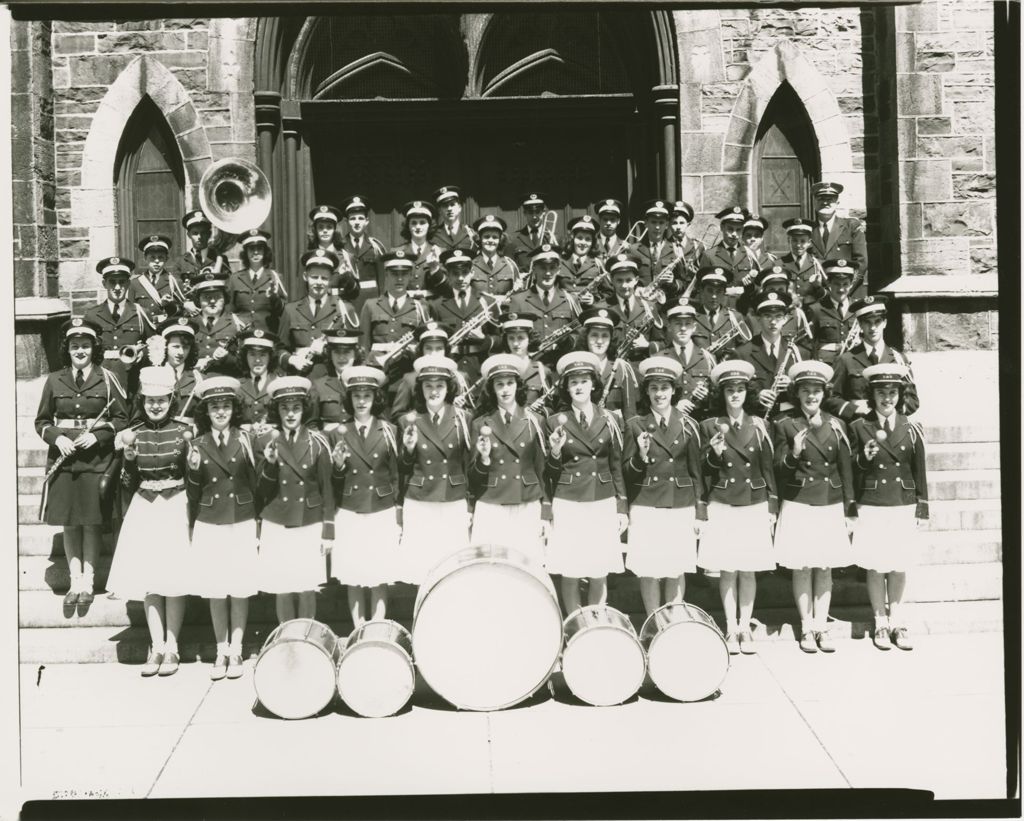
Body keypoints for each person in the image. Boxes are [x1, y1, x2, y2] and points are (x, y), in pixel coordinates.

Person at [36, 318, 129, 607]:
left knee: (90, 521)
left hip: (94, 459)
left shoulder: (108, 377)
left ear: (94, 348)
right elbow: (41, 421)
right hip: (63, 459)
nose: (80, 351)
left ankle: (88, 581)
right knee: (69, 523)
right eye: (74, 346)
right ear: (68, 349)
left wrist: (99, 437)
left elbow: (121, 419)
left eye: (85, 345)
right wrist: (56, 438)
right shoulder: (54, 380)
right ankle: (73, 581)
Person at [105, 366, 190, 677]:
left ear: (171, 399)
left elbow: (192, 477)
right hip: (145, 509)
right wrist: (127, 460)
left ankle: (173, 646)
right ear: (142, 401)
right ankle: (156, 645)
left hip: (175, 506)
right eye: (150, 400)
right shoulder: (135, 433)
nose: (156, 405)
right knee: (152, 581)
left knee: (174, 579)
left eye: (162, 400)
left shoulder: (183, 432)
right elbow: (127, 483)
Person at [772, 360, 857, 654]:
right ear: (797, 394)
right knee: (802, 566)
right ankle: (807, 625)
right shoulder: (784, 424)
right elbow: (778, 469)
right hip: (798, 502)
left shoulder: (837, 425)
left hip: (829, 502)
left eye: (817, 391)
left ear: (824, 394)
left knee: (824, 567)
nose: (811, 396)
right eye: (806, 391)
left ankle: (822, 625)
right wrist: (794, 454)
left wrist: (850, 509)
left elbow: (846, 471)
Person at [696, 360, 778, 654]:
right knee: (728, 569)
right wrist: (715, 454)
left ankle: (746, 626)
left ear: (747, 392)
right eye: (729, 390)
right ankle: (731, 628)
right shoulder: (708, 426)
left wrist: (772, 505)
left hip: (754, 502)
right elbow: (704, 471)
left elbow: (768, 468)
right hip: (723, 502)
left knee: (749, 569)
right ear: (722, 394)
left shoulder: (759, 425)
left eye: (740, 389)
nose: (735, 395)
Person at [184, 376, 260, 680]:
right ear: (206, 411)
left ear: (233, 408)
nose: (220, 411)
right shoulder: (196, 444)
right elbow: (192, 492)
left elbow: (257, 483)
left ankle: (237, 649)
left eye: (225, 405)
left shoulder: (247, 439)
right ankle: (221, 648)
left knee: (239, 588)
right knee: (216, 588)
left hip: (240, 519)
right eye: (214, 406)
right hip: (210, 521)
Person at [849, 364, 929, 651]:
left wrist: (923, 506)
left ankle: (897, 618)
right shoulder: (859, 427)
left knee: (898, 563)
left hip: (903, 503)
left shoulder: (912, 428)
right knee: (875, 564)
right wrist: (863, 458)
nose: (887, 399)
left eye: (892, 393)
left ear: (900, 395)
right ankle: (880, 620)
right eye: (881, 393)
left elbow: (920, 471)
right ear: (873, 395)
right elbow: (852, 470)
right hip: (872, 503)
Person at [544, 351, 628, 615]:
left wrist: (621, 506)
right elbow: (549, 472)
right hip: (569, 500)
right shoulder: (554, 422)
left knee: (599, 567)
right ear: (566, 388)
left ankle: (596, 619)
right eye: (573, 382)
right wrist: (555, 452)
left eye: (584, 380)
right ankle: (575, 622)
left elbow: (616, 465)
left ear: (594, 384)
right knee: (571, 568)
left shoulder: (611, 419)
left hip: (601, 500)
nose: (579, 386)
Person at [623, 356, 705, 616]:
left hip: (680, 504)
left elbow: (696, 473)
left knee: (676, 566)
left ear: (674, 391)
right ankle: (654, 622)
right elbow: (626, 472)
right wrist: (640, 456)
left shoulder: (689, 425)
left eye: (665, 388)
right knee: (648, 568)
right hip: (646, 504)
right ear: (646, 391)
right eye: (654, 388)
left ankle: (674, 619)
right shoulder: (635, 425)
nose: (660, 394)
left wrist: (700, 511)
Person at [256, 376, 336, 623]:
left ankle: (306, 638)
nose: (290, 414)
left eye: (296, 408)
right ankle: (287, 637)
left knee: (306, 586)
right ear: (277, 410)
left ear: (304, 410)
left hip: (308, 521)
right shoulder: (266, 441)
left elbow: (327, 489)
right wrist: (269, 465)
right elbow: (260, 491)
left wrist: (328, 531)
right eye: (284, 408)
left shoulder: (318, 442)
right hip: (277, 521)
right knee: (283, 586)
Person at [328, 365, 402, 627]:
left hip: (381, 508)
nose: (361, 401)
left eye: (367, 396)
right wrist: (337, 466)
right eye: (356, 396)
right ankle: (358, 626)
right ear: (350, 400)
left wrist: (398, 514)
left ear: (375, 399)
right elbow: (331, 482)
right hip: (350, 509)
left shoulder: (389, 430)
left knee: (379, 571)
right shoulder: (337, 432)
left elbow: (396, 475)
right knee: (354, 572)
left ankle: (377, 624)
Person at [395, 355, 472, 585]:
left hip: (453, 499)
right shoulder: (408, 421)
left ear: (449, 388)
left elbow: (469, 464)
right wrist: (408, 449)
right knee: (422, 566)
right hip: (420, 500)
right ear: (421, 389)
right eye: (428, 385)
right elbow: (402, 469)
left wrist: (470, 504)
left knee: (453, 566)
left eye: (440, 385)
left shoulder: (464, 418)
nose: (434, 391)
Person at [468, 354, 550, 564]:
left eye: (510, 383)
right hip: (492, 504)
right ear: (492, 389)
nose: (505, 389)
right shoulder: (480, 424)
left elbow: (543, 470)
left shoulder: (535, 421)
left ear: (517, 386)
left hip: (527, 502)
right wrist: (484, 459)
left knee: (527, 566)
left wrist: (545, 511)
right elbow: (472, 477)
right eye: (499, 384)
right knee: (491, 567)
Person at [359, 250, 437, 405]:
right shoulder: (371, 305)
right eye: (394, 274)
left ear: (410, 276)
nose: (399, 278)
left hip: (406, 379)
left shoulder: (420, 307)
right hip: (378, 376)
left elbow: (425, 346)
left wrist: (415, 352)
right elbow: (363, 346)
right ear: (386, 275)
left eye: (404, 273)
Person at [825, 295, 920, 423]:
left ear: (885, 323)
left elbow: (912, 400)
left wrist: (887, 409)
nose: (873, 327)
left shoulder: (898, 359)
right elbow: (830, 398)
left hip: (890, 430)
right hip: (858, 430)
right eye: (867, 322)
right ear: (860, 325)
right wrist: (854, 408)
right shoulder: (846, 360)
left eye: (877, 321)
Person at [277, 248, 360, 378]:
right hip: (299, 379)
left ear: (331, 279)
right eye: (314, 277)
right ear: (305, 277)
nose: (319, 282)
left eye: (324, 278)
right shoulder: (290, 310)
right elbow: (278, 349)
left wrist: (325, 351)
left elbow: (356, 351)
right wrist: (292, 360)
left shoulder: (344, 309)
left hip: (332, 382)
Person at [84, 256, 155, 396]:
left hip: (132, 383)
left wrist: (142, 353)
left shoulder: (140, 313)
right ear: (104, 283)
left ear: (128, 284)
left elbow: (154, 346)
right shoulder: (91, 316)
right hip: (101, 382)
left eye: (122, 282)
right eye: (112, 282)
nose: (117, 287)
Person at [507, 243, 582, 369]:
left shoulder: (570, 299)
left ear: (559, 269)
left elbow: (580, 334)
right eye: (543, 268)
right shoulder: (518, 300)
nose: (548, 273)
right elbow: (509, 338)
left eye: (552, 268)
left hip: (561, 368)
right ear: (534, 269)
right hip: (530, 369)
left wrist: (567, 341)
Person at [430, 248, 499, 381]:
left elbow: (500, 340)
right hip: (450, 371)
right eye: (455, 273)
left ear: (472, 273)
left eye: (465, 273)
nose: (461, 278)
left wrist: (484, 339)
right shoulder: (437, 305)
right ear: (448, 275)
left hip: (479, 371)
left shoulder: (487, 302)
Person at [734, 290, 799, 419]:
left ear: (785, 319)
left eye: (778, 316)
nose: (773, 322)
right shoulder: (743, 352)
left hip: (788, 419)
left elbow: (806, 394)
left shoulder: (795, 351)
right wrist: (756, 396)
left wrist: (792, 386)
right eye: (767, 316)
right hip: (755, 419)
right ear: (758, 319)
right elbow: (733, 392)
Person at [649, 300, 716, 419]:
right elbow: (650, 398)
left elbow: (718, 398)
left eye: (688, 323)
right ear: (669, 326)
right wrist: (673, 407)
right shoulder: (658, 359)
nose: (683, 328)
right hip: (670, 422)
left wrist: (708, 397)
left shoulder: (708, 358)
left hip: (700, 423)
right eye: (678, 323)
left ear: (694, 327)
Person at [576, 306, 638, 423]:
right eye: (594, 335)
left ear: (611, 339)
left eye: (605, 336)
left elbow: (630, 416)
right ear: (586, 337)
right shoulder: (576, 367)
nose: (599, 341)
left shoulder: (622, 369)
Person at [599, 252, 664, 363]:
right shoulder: (601, 308)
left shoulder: (649, 307)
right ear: (612, 280)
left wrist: (648, 345)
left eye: (629, 280)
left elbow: (663, 343)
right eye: (619, 280)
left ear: (636, 280)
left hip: (641, 371)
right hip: (611, 370)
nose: (624, 286)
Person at [809, 181, 868, 297]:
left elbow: (861, 262)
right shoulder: (807, 231)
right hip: (819, 296)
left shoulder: (852, 227)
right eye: (821, 199)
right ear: (814, 203)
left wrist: (844, 289)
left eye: (830, 199)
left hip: (848, 293)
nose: (825, 202)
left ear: (837, 203)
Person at [227, 229, 286, 333]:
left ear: (265, 252)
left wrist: (274, 296)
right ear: (245, 253)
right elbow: (228, 310)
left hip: (268, 335)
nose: (255, 252)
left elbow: (283, 311)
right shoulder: (235, 279)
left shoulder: (275, 277)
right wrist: (234, 321)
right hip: (243, 335)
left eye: (259, 248)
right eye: (251, 249)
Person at [338, 195, 388, 309]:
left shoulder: (376, 247)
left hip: (371, 302)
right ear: (346, 221)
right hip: (347, 301)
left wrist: (382, 304)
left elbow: (383, 279)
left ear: (367, 221)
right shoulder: (339, 246)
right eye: (352, 218)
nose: (357, 222)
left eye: (360, 218)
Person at [169, 210, 230, 300]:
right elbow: (175, 289)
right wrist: (185, 304)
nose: (199, 237)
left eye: (203, 233)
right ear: (189, 235)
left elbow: (228, 285)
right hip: (190, 310)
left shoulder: (220, 258)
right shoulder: (180, 262)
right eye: (195, 233)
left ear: (209, 234)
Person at [806, 258, 857, 366]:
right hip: (826, 367)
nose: (841, 289)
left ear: (851, 284)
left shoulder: (857, 309)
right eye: (837, 284)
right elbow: (809, 344)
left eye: (845, 284)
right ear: (829, 283)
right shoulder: (816, 309)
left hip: (853, 366)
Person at [309, 329, 361, 432]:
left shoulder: (364, 382)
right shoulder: (319, 385)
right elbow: (311, 424)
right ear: (330, 355)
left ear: (355, 354)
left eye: (347, 352)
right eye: (336, 352)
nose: (341, 357)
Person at [128, 235, 190, 321]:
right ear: (145, 258)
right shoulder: (135, 283)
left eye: (160, 257)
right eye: (152, 257)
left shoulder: (174, 282)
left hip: (167, 327)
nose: (156, 261)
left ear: (166, 259)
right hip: (145, 330)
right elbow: (130, 311)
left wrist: (170, 305)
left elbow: (183, 311)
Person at [191, 273, 241, 378]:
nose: (212, 301)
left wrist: (227, 358)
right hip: (195, 382)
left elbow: (245, 363)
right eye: (207, 297)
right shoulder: (190, 325)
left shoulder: (237, 324)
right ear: (198, 300)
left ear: (225, 299)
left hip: (226, 380)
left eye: (217, 297)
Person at [307, 204, 361, 301]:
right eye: (320, 227)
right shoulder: (307, 258)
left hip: (341, 308)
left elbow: (355, 294)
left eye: (329, 227)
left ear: (335, 230)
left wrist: (348, 279)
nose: (325, 231)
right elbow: (301, 294)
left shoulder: (347, 257)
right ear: (314, 230)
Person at [692, 266, 747, 360]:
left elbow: (745, 348)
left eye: (719, 291)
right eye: (710, 291)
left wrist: (735, 354)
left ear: (724, 293)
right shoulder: (692, 317)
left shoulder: (735, 317)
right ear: (701, 291)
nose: (714, 296)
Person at [395, 200, 447, 297]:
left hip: (432, 306)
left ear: (429, 225)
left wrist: (435, 268)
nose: (418, 227)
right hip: (406, 306)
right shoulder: (398, 252)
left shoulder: (440, 252)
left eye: (422, 222)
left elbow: (446, 290)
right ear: (408, 226)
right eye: (413, 223)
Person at [700, 206, 754, 298]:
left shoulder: (749, 254)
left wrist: (749, 286)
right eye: (730, 229)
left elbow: (758, 287)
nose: (734, 234)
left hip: (743, 308)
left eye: (738, 230)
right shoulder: (709, 255)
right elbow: (701, 288)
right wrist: (725, 290)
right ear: (722, 228)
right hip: (719, 307)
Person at [236, 328, 280, 431]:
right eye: (252, 354)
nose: (257, 360)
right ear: (244, 356)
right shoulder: (237, 386)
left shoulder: (279, 384)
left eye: (263, 354)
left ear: (270, 357)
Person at [778, 218, 827, 309]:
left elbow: (826, 295)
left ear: (809, 242)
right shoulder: (779, 264)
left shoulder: (818, 265)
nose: (798, 245)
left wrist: (818, 287)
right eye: (794, 240)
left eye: (803, 241)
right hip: (788, 312)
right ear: (788, 240)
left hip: (812, 313)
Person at [470, 213, 523, 296]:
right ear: (479, 239)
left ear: (500, 240)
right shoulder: (471, 265)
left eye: (495, 237)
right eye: (486, 237)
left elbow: (518, 295)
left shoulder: (510, 265)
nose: (491, 240)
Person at [560, 215, 607, 299]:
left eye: (588, 239)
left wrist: (594, 299)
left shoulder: (598, 263)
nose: (583, 243)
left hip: (589, 310)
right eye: (579, 238)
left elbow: (608, 292)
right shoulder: (560, 261)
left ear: (592, 242)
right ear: (572, 238)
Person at [633, 199, 677, 288]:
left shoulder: (676, 249)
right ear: (645, 223)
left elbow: (683, 281)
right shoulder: (633, 250)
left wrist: (674, 283)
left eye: (661, 222)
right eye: (653, 222)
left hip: (667, 300)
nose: (657, 227)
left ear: (667, 225)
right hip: (641, 299)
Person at [508, 192, 557, 271]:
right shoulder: (514, 239)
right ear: (524, 213)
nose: (534, 217)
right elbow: (508, 268)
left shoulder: (553, 238)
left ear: (543, 212)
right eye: (530, 212)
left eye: (538, 212)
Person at [666, 199, 705, 294]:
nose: (678, 227)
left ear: (688, 224)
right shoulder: (664, 246)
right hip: (672, 295)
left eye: (682, 223)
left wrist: (696, 273)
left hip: (694, 295)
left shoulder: (698, 246)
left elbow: (704, 273)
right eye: (674, 223)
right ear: (669, 225)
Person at [431, 185, 477, 254]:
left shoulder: (470, 233)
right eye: (445, 206)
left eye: (452, 204)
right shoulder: (433, 235)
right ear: (440, 211)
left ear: (459, 208)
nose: (449, 209)